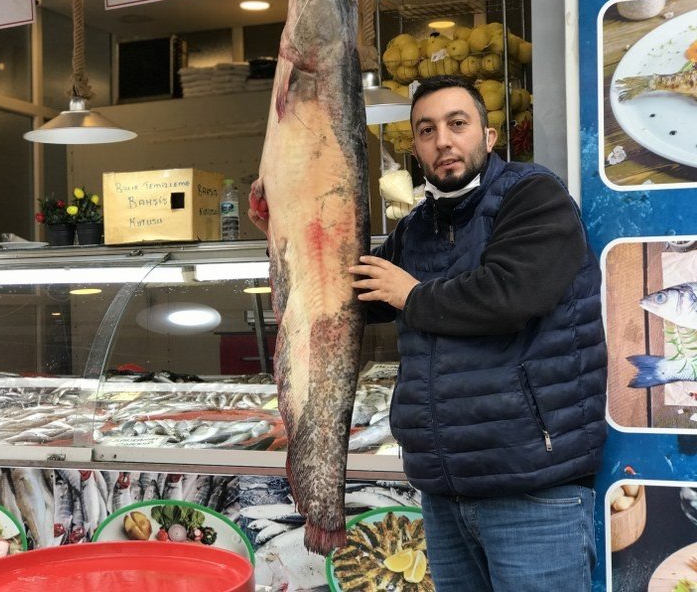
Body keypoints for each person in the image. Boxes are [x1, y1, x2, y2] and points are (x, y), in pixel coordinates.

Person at [248, 75, 607, 591]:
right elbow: (352, 302)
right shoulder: (417, 227)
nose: (443, 140)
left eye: (457, 124)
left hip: (531, 489)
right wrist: (286, 230)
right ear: (415, 148)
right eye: (426, 130)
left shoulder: (533, 197)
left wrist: (412, 296)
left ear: (488, 135)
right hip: (444, 492)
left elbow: (509, 296)